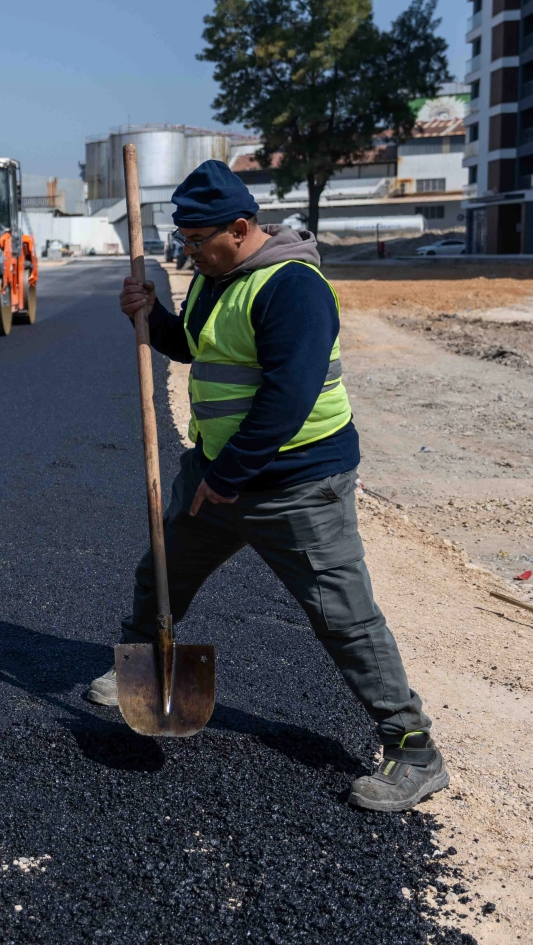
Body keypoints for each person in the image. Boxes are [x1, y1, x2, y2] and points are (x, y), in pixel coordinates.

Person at [89, 159, 446, 813]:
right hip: (219, 475)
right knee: (162, 571)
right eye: (184, 241)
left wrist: (226, 477)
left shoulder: (291, 286)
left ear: (242, 227)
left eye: (199, 241)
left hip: (296, 483)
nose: (189, 252)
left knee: (341, 615)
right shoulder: (212, 278)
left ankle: (412, 748)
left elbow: (286, 397)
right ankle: (140, 666)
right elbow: (196, 346)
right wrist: (150, 317)